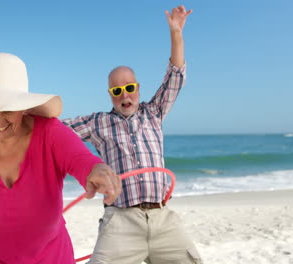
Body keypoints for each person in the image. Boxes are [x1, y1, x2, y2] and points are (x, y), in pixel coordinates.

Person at [0, 53, 121, 264]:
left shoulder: (51, 133)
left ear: (24, 106)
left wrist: (97, 171)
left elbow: (81, 159)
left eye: (8, 108)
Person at [62, 5, 202, 264]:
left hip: (162, 218)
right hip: (120, 221)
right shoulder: (98, 123)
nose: (124, 95)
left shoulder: (154, 112)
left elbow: (176, 77)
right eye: (117, 91)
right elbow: (56, 132)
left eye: (129, 88)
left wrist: (176, 33)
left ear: (137, 88)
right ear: (110, 95)